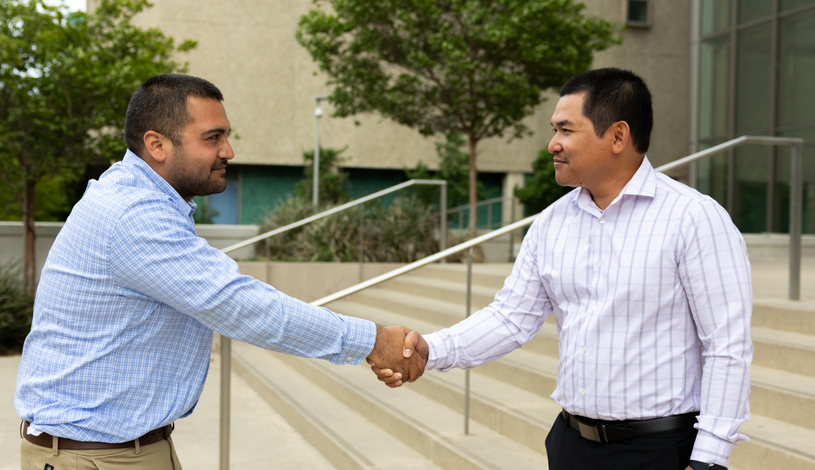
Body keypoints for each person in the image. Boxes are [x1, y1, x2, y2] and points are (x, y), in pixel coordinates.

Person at [15, 73, 424, 469]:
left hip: (119, 448)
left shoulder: (139, 198)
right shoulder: (132, 215)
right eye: (213, 138)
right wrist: (372, 341)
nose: (228, 151)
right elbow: (239, 305)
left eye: (226, 136)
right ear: (156, 144)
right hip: (95, 457)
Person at [371, 68, 751, 470]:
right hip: (571, 445)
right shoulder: (551, 223)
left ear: (618, 136)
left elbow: (727, 346)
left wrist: (710, 459)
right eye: (555, 130)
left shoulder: (694, 218)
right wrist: (430, 350)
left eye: (566, 130)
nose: (553, 144)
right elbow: (510, 318)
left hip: (657, 451)